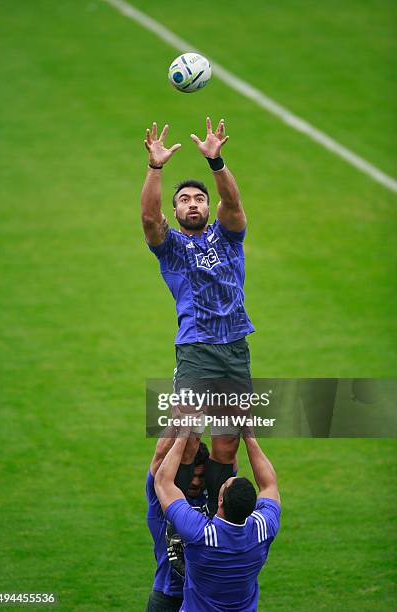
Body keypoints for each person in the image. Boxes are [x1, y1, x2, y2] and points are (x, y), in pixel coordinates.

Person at [141, 117, 254, 511]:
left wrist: (216, 162)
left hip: (235, 347)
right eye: (185, 200)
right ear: (176, 210)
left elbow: (234, 203)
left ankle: (217, 513)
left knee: (227, 440)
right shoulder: (170, 246)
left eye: (199, 199)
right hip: (197, 349)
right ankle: (181, 520)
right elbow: (149, 219)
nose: (193, 203)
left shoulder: (228, 235)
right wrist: (156, 167)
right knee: (185, 435)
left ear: (208, 206)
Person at [154, 423, 281, 612]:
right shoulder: (263, 528)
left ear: (220, 500)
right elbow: (269, 484)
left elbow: (163, 482)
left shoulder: (201, 534)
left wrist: (183, 432)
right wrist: (249, 436)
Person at [146, 423, 210, 612]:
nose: (196, 482)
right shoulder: (162, 497)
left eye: (202, 476)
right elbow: (159, 455)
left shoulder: (214, 498)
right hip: (167, 598)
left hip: (203, 599)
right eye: (193, 475)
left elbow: (228, 458)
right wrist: (179, 422)